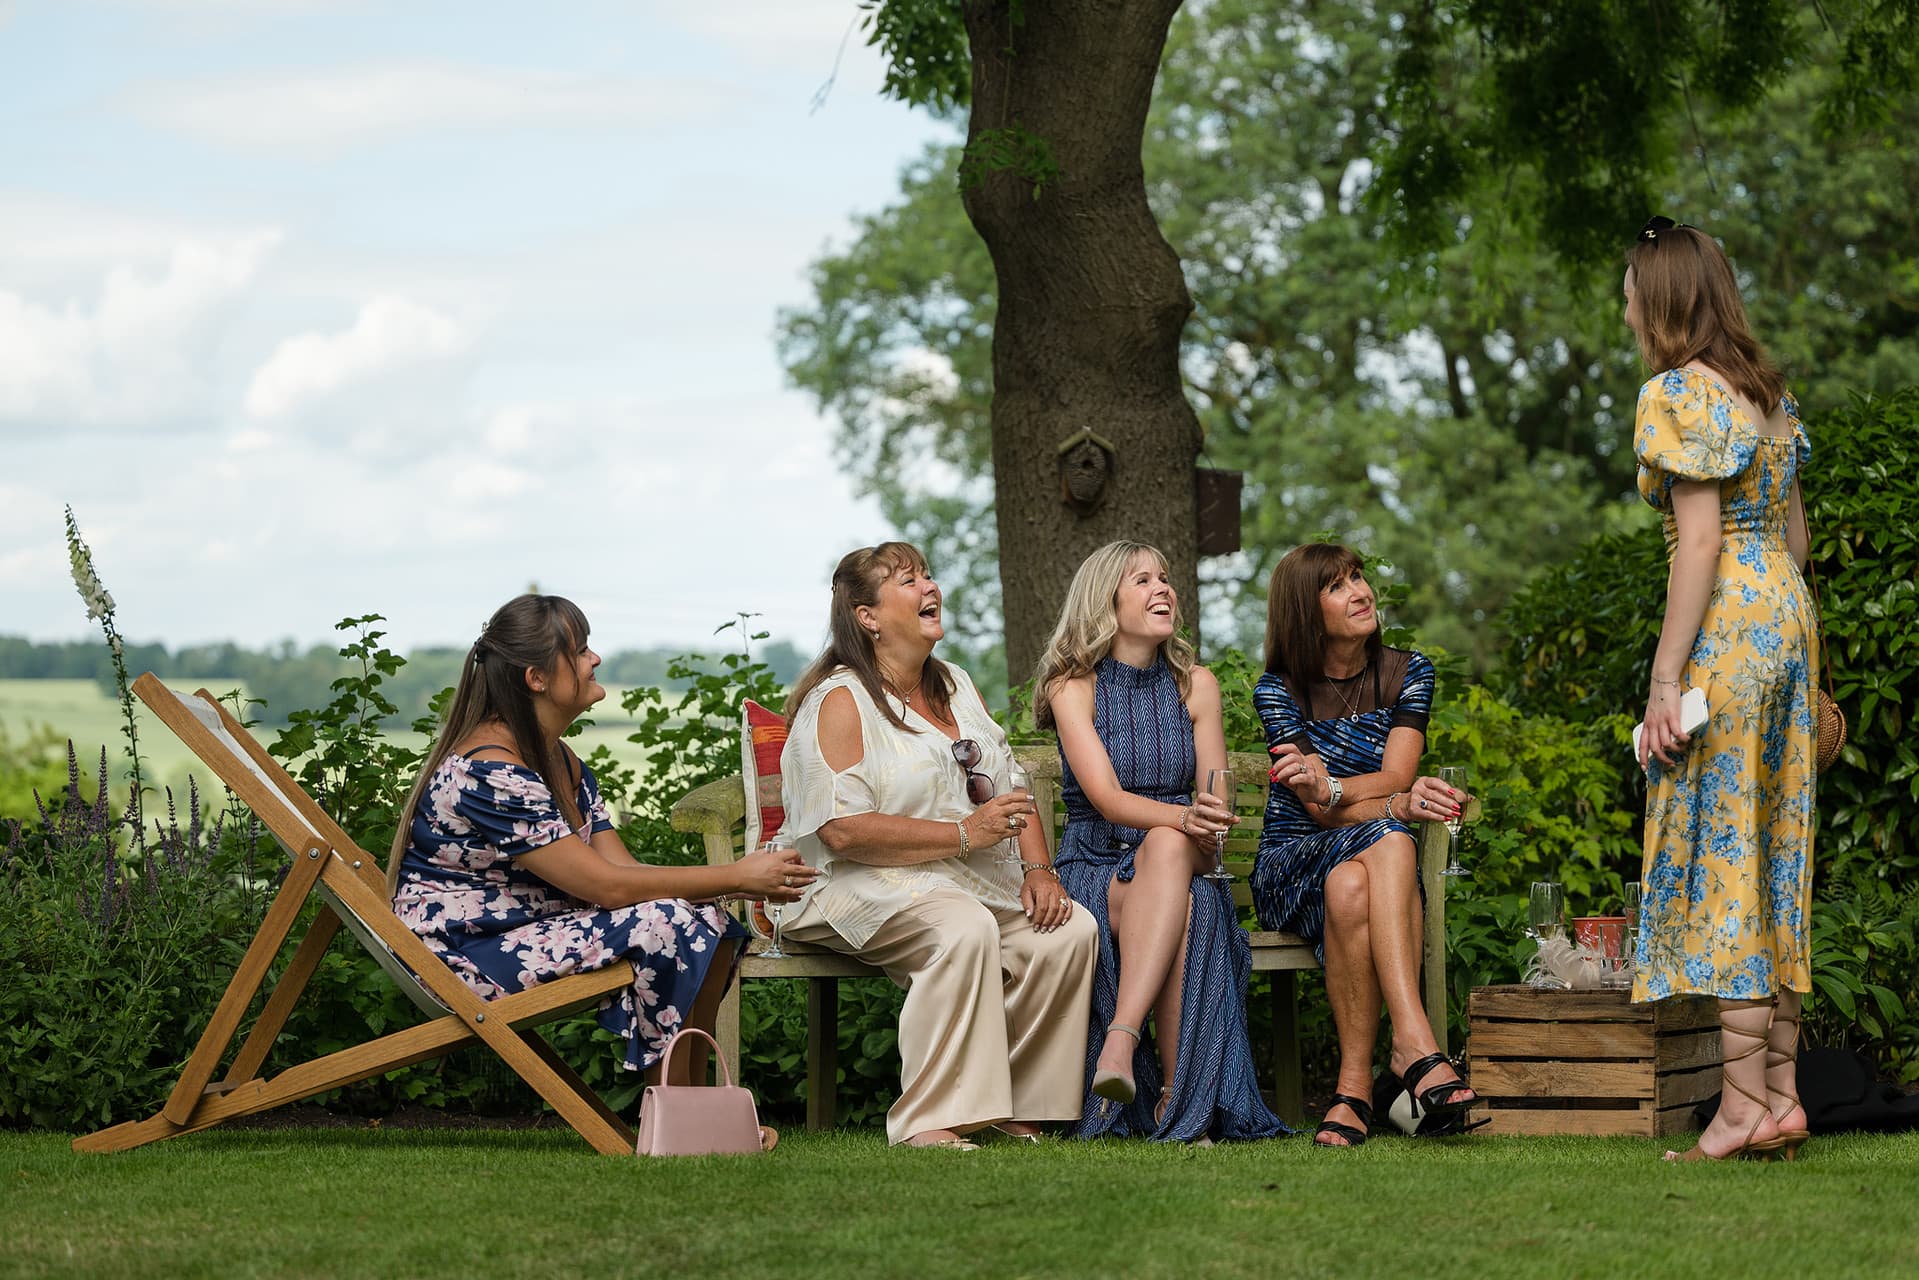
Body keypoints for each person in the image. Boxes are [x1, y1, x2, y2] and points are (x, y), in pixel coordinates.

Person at [387, 593, 816, 1109]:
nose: (595, 659)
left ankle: (691, 1111)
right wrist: (737, 876)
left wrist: (723, 885)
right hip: (462, 956)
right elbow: (607, 887)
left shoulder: (557, 760)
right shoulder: (491, 774)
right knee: (670, 921)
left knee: (710, 919)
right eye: (581, 649)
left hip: (514, 934)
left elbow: (622, 868)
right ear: (536, 678)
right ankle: (677, 1113)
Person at [778, 542, 1099, 1149]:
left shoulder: (955, 683)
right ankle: (928, 1121)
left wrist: (1039, 870)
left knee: (1067, 929)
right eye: (907, 580)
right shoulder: (841, 700)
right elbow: (841, 830)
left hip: (956, 877)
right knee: (961, 926)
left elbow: (1011, 783)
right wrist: (961, 834)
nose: (930, 586)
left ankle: (1015, 1105)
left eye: (928, 574)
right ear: (866, 615)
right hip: (840, 880)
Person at [1625, 216, 1815, 1163]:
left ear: (1659, 297)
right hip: (1786, 618)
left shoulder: (1673, 395)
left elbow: (1699, 542)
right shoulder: (1767, 396)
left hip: (1728, 630)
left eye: (1628, 289)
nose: (1622, 305)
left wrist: (1667, 678)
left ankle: (1738, 1109)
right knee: (1775, 843)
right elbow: (1800, 544)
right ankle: (1777, 1094)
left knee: (1727, 842)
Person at [1033, 541, 1288, 1143]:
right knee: (1193, 907)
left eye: (1165, 578)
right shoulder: (1073, 688)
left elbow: (1215, 799)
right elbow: (1108, 800)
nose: (1162, 588)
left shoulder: (1195, 685)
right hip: (1097, 865)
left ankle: (1119, 1043)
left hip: (1188, 851)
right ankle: (1179, 1107)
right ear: (1105, 600)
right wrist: (1181, 820)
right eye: (1142, 579)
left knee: (1173, 854)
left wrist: (1198, 819)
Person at [1249, 544, 1475, 1148]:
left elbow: (1397, 777)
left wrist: (1340, 787)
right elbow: (1315, 811)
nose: (1360, 591)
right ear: (1304, 608)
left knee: (1351, 885)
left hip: (1362, 865)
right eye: (1337, 586)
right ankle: (1413, 1041)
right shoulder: (1277, 689)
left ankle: (1351, 1092)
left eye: (1358, 577)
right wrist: (1380, 805)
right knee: (1390, 836)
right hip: (1289, 862)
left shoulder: (1409, 671)